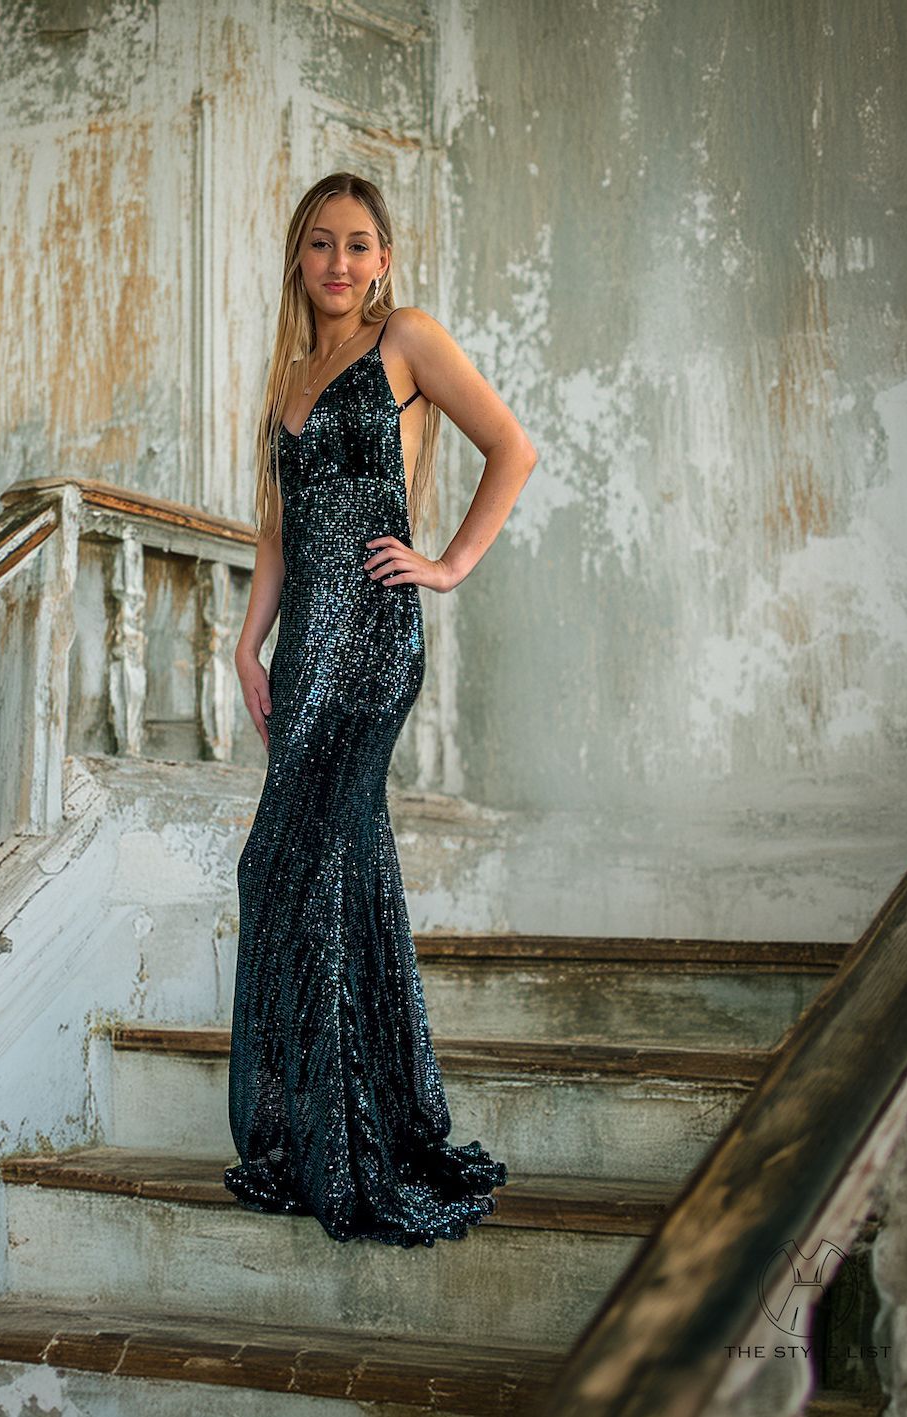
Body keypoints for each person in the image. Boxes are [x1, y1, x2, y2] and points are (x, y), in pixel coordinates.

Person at [224, 172, 540, 1247]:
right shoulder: (290, 374)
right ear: (298, 259)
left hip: (372, 641)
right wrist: (247, 640)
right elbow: (279, 528)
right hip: (305, 640)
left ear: (385, 259)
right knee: (303, 867)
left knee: (296, 862)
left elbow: (513, 448)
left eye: (359, 245)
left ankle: (348, 1140)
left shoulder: (406, 338)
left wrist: (448, 564)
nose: (339, 263)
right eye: (321, 244)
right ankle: (332, 1130)